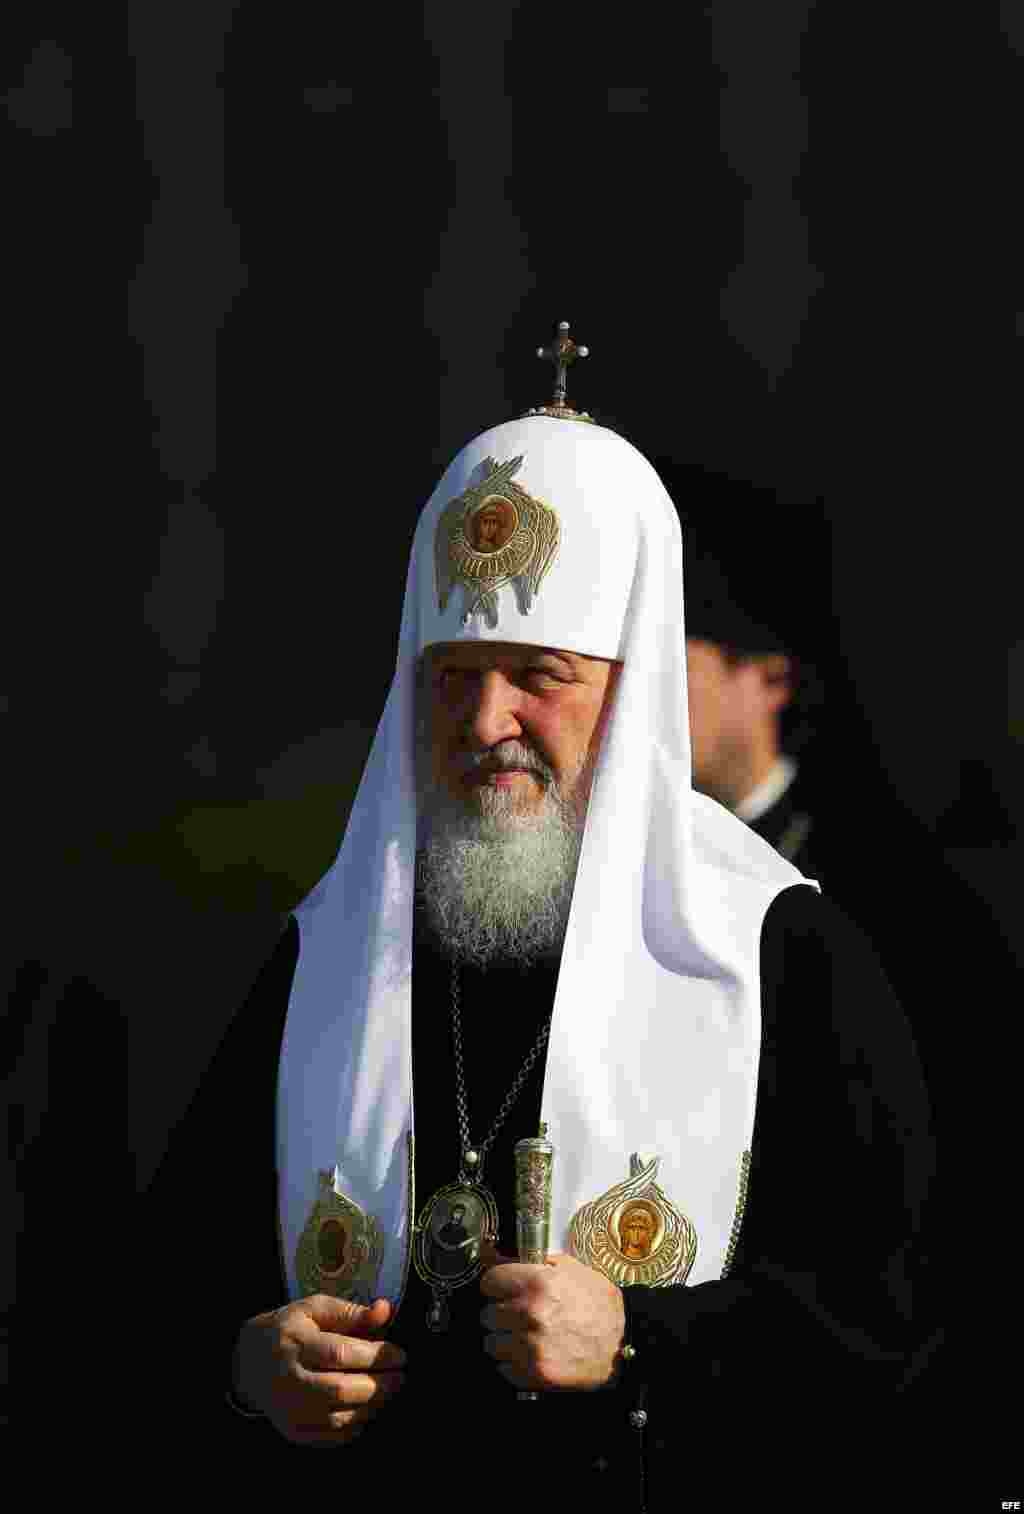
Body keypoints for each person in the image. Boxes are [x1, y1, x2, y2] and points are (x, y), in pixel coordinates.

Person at [140, 345, 941, 1501]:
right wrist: (248, 1363)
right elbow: (162, 1278)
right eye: (452, 673)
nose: (484, 718)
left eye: (537, 672)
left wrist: (638, 1342)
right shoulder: (329, 951)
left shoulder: (775, 954)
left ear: (630, 694)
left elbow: (895, 1328)